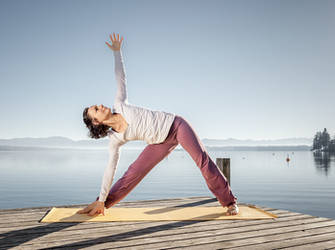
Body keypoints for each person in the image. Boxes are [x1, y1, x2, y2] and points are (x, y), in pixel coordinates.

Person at [77, 33, 239, 217]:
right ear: (97, 122)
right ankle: (102, 203)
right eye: (96, 109)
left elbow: (120, 77)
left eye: (97, 105)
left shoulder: (119, 104)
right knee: (132, 174)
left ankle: (230, 202)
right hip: (159, 143)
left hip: (176, 126)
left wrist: (117, 52)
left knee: (202, 160)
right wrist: (102, 197)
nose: (100, 106)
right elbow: (110, 170)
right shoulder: (115, 139)